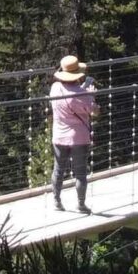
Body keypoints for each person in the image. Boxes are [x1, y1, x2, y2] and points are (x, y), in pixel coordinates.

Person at [48, 54, 97, 212]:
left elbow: (70, 97)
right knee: (80, 172)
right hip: (79, 138)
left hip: (59, 135)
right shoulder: (83, 95)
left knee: (58, 169)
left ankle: (56, 201)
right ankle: (81, 204)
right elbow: (95, 111)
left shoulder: (55, 88)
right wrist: (91, 95)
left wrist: (83, 92)